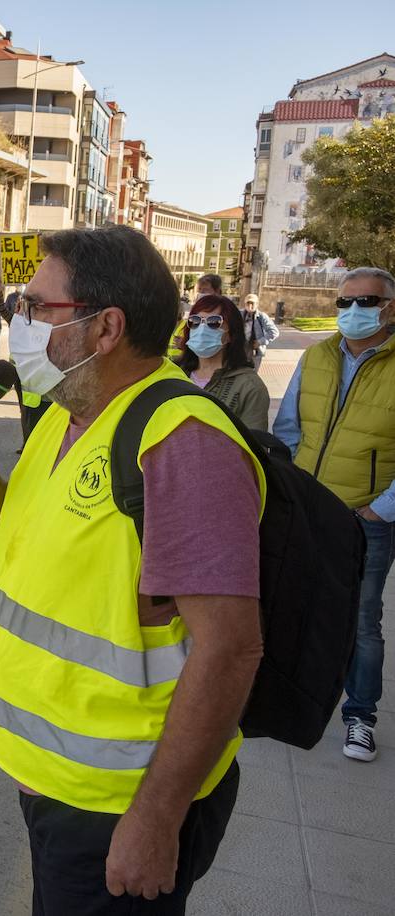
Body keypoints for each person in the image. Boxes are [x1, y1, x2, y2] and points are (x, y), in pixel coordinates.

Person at [0, 225, 264, 914]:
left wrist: (156, 820)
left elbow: (230, 650)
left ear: (105, 327)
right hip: (57, 786)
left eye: (37, 308)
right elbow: (21, 536)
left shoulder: (182, 444)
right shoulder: (68, 410)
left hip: (121, 804)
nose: (18, 324)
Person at [273, 266, 395, 763]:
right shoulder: (317, 355)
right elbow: (288, 428)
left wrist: (380, 509)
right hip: (311, 510)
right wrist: (295, 489)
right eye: (343, 302)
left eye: (363, 301)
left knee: (363, 620)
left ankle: (360, 717)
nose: (351, 311)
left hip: (366, 519)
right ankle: (296, 699)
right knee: (300, 606)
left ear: (389, 307)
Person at [175, 295, 270, 430]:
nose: (202, 329)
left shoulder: (249, 387)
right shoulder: (174, 373)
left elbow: (254, 445)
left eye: (214, 322)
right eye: (195, 321)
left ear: (231, 333)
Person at [241, 294, 279, 369]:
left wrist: (260, 342)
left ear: (257, 304)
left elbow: (274, 332)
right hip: (241, 349)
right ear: (245, 304)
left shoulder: (262, 317)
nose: (250, 305)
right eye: (248, 303)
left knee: (253, 373)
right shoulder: (240, 314)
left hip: (255, 350)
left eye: (252, 303)